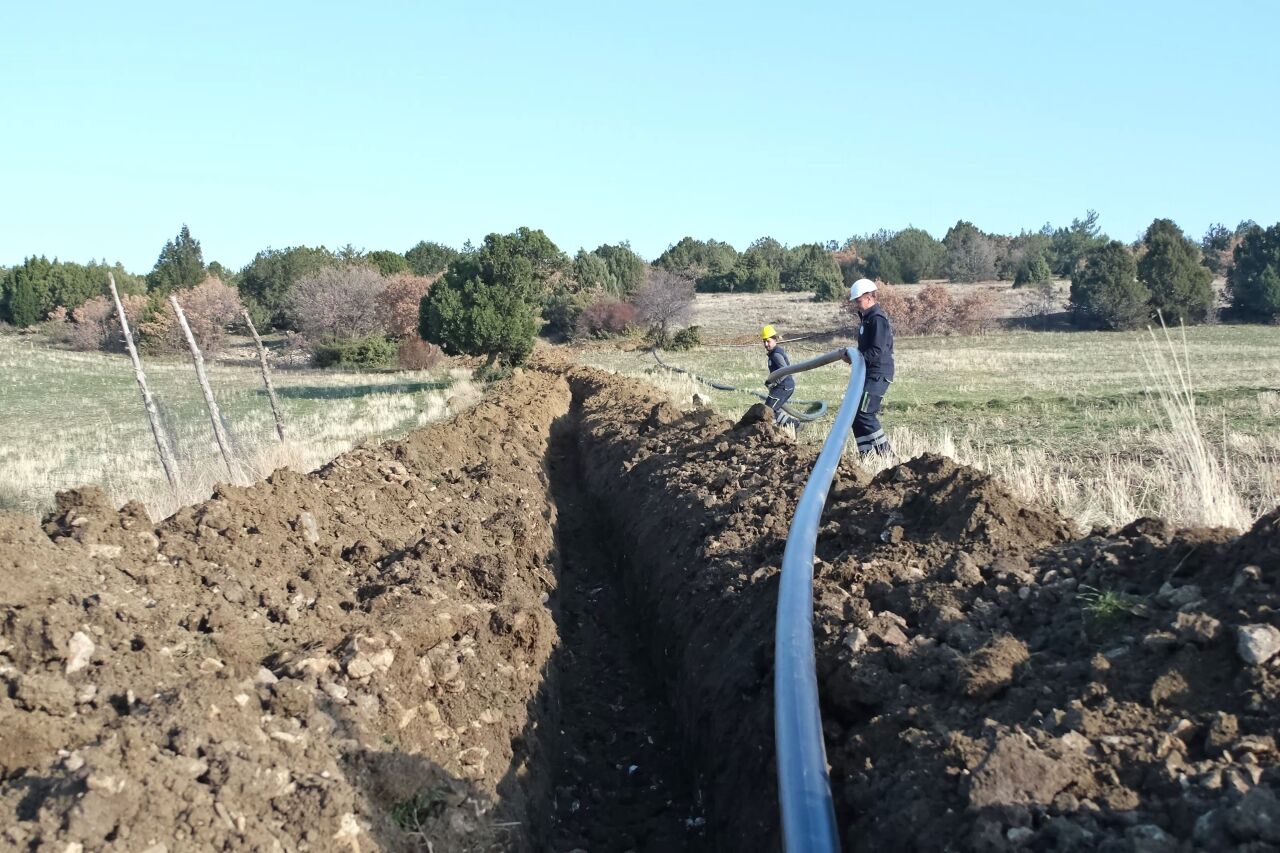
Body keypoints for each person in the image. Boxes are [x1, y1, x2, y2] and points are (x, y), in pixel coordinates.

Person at [843, 279, 894, 455]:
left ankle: (886, 454)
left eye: (858, 300)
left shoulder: (877, 320)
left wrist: (856, 359)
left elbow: (877, 351)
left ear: (869, 298)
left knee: (865, 414)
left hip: (878, 374)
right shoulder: (867, 320)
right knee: (855, 417)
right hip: (868, 373)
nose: (856, 305)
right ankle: (866, 455)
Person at [761, 325, 798, 428]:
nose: (765, 344)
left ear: (775, 339)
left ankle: (795, 425)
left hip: (784, 386)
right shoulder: (773, 353)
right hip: (783, 386)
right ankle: (778, 429)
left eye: (768, 341)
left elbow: (785, 371)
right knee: (771, 410)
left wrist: (774, 383)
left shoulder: (776, 354)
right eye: (764, 341)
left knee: (768, 411)